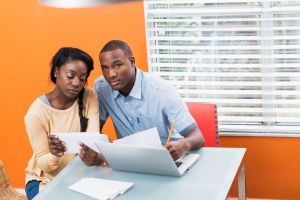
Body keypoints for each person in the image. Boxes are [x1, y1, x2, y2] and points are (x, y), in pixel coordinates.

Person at [94, 40, 205, 161]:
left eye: (117, 65)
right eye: (105, 68)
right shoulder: (102, 88)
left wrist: (183, 145)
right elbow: (94, 129)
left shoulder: (161, 90)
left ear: (132, 62)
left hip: (169, 157)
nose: (110, 74)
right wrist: (110, 150)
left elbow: (197, 137)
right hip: (131, 159)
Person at [24, 47, 103, 200]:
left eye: (82, 78)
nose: (77, 83)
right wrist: (54, 154)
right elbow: (44, 164)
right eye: (70, 76)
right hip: (44, 181)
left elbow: (93, 141)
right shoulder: (36, 112)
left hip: (79, 175)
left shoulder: (89, 96)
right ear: (56, 72)